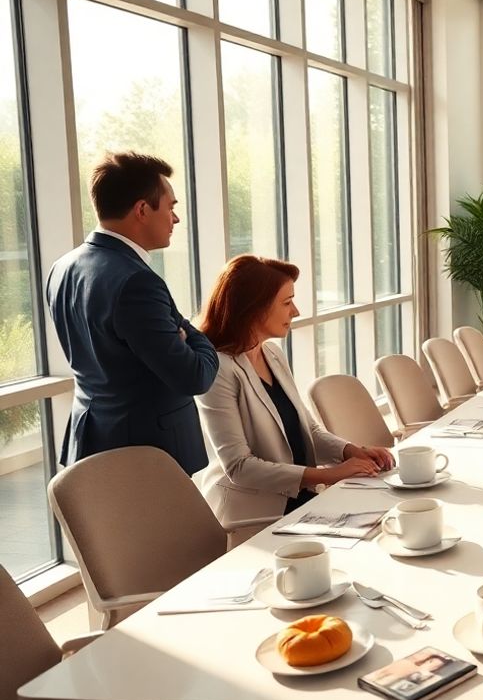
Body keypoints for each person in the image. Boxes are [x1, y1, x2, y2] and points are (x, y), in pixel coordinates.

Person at [45, 152, 219, 476]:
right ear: (142, 210)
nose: (175, 219)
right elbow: (195, 375)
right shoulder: (137, 281)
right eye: (171, 207)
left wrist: (180, 330)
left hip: (92, 439)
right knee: (165, 530)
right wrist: (191, 332)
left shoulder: (63, 267)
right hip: (146, 454)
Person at [193, 256, 394, 529]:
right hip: (255, 517)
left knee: (391, 513)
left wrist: (352, 452)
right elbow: (240, 466)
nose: (295, 311)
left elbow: (308, 430)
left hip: (302, 502)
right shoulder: (219, 369)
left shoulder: (272, 354)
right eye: (286, 303)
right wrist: (329, 475)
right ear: (254, 308)